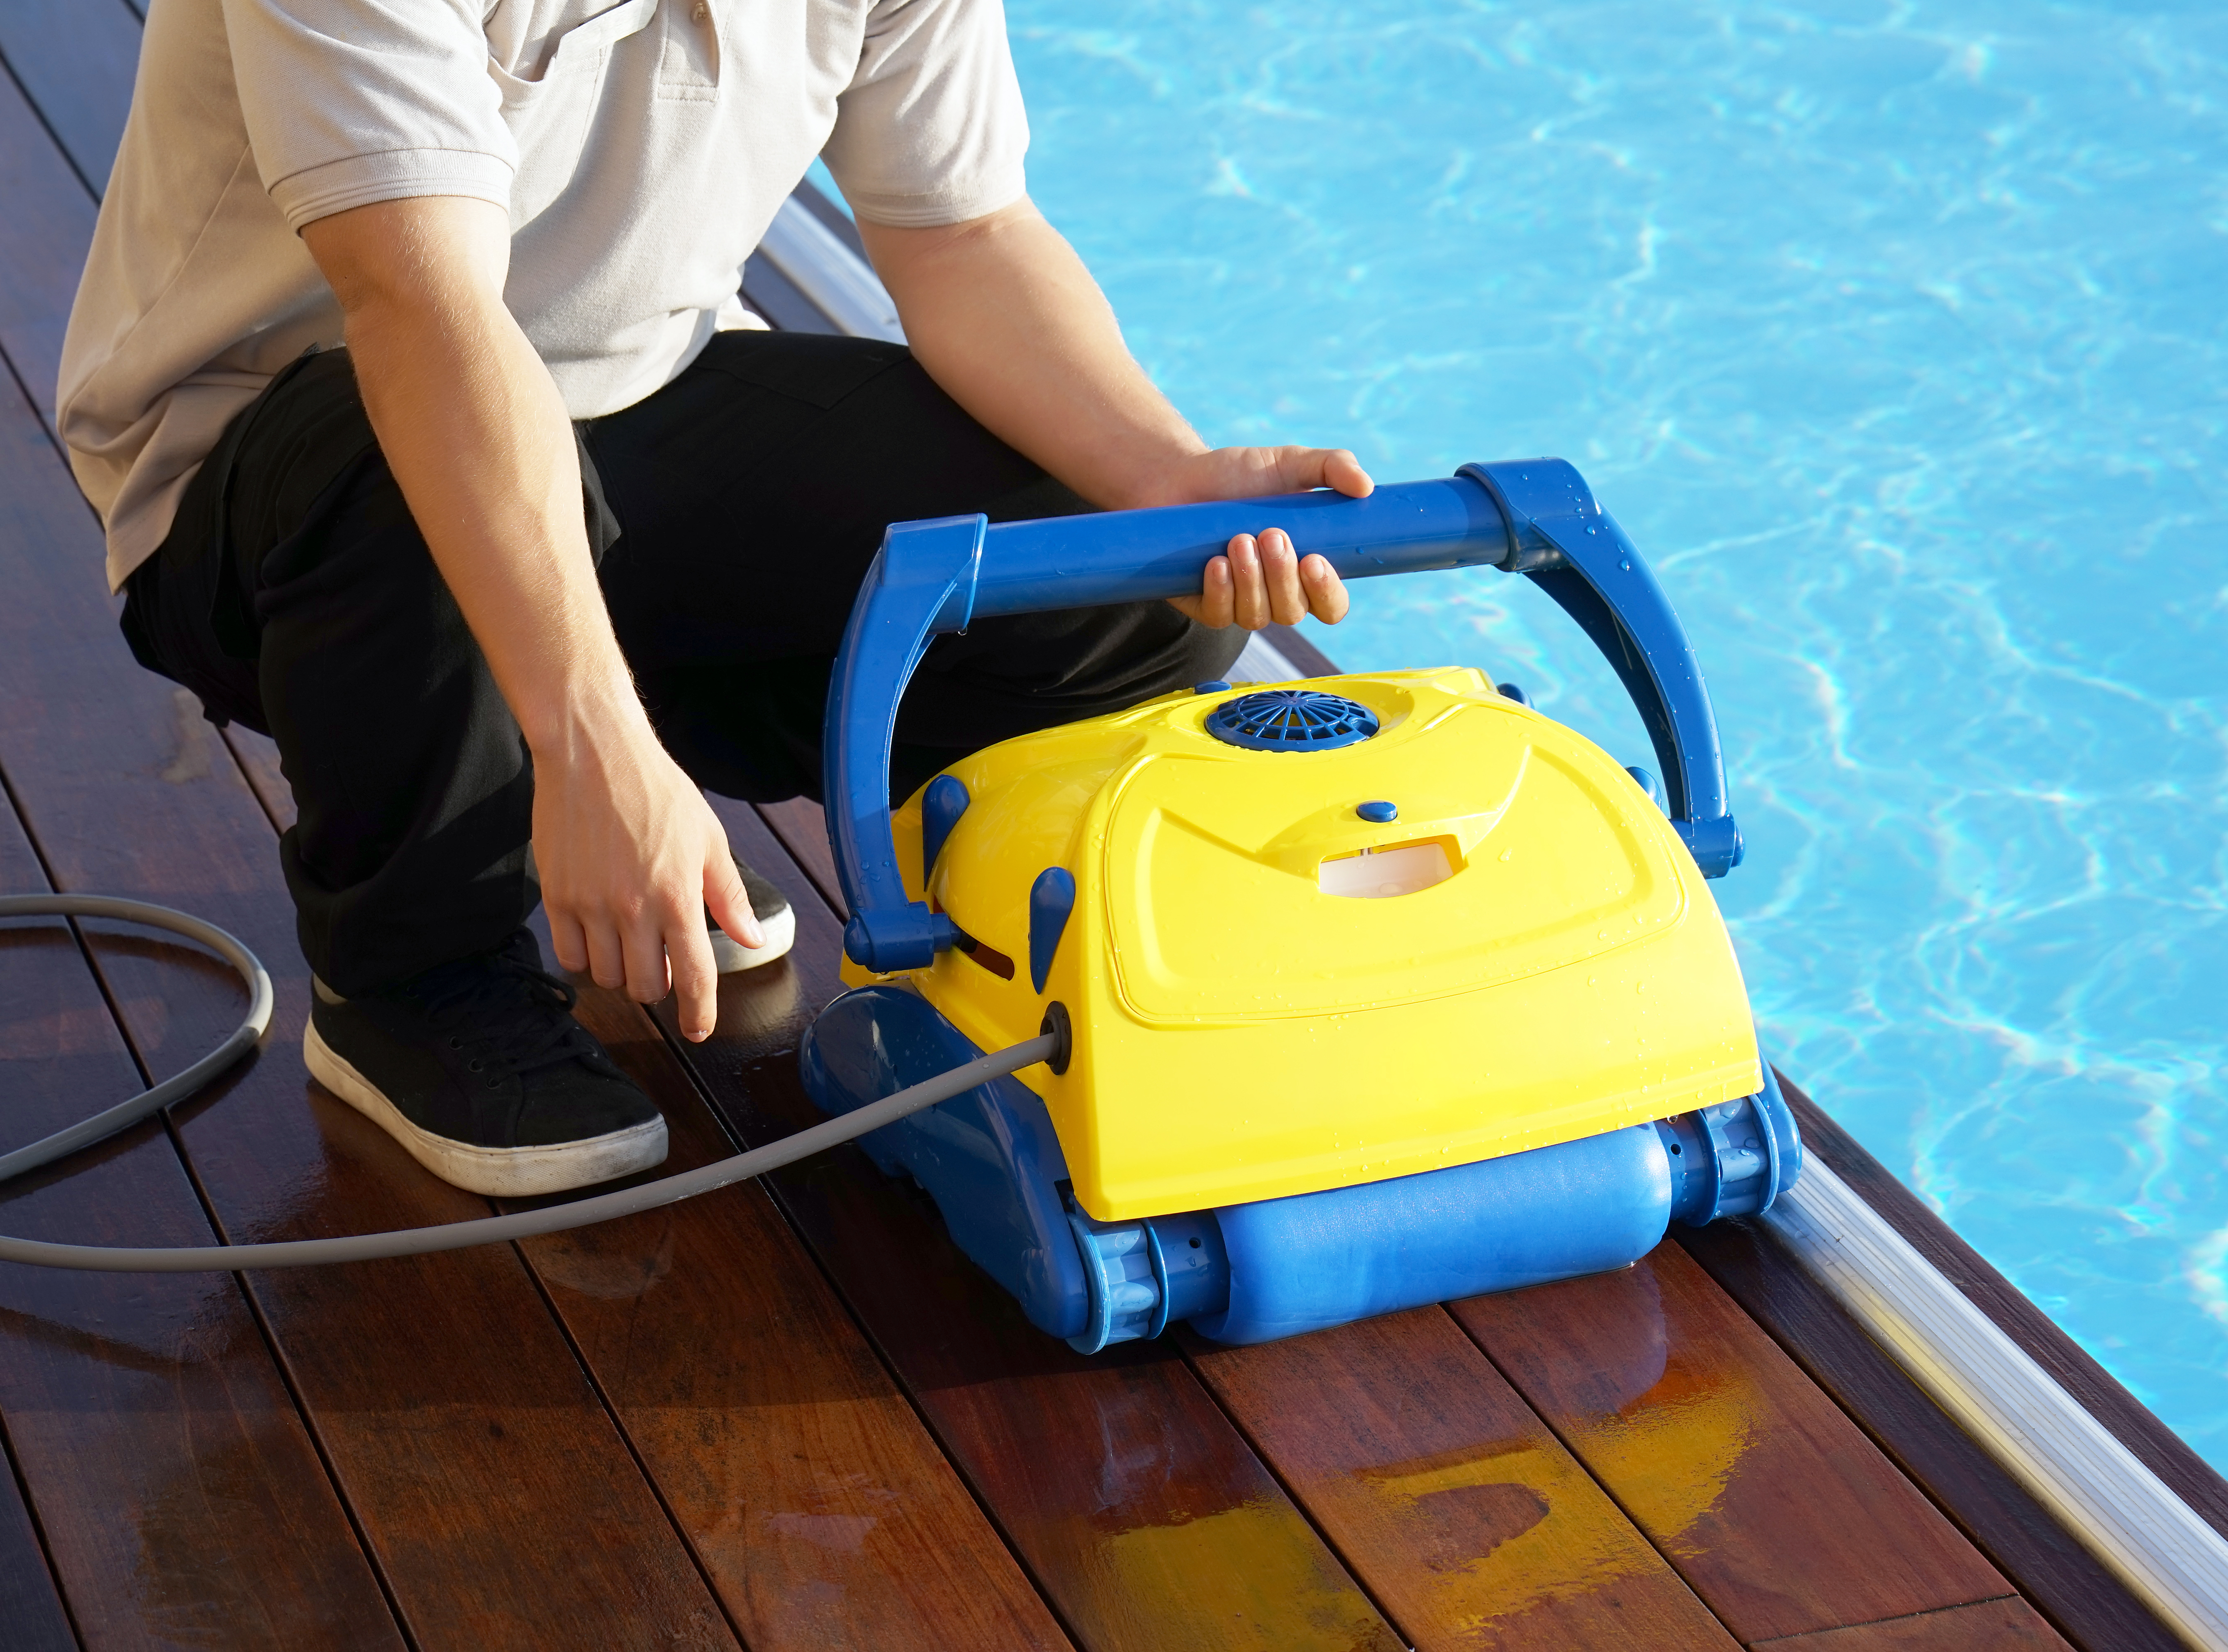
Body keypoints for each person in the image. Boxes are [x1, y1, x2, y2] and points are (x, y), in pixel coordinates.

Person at [58, 0, 1365, 1198]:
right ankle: (413, 973)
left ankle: (597, 768)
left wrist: (1169, 479)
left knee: (1117, 575)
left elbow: (962, 231)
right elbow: (421, 312)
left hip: (634, 399)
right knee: (399, 458)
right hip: (290, 461)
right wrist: (594, 751)